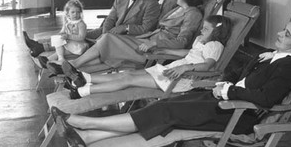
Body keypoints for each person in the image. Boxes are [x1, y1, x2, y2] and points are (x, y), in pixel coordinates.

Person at [49, 11, 291, 147]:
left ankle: (82, 122)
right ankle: (86, 138)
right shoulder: (273, 57)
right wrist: (226, 85)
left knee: (164, 111)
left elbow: (265, 99)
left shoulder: (289, 66)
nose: (278, 33)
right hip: (224, 100)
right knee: (166, 113)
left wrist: (228, 88)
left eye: (286, 33)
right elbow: (240, 78)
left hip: (238, 114)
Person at [50, 0, 204, 75]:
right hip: (148, 40)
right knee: (106, 40)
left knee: (107, 39)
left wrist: (155, 43)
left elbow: (182, 41)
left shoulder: (193, 14)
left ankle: (72, 65)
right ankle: (73, 68)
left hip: (153, 47)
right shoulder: (178, 9)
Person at [62, 14, 232, 99]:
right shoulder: (201, 41)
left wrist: (186, 67)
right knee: (126, 74)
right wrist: (164, 52)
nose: (202, 30)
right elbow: (188, 53)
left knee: (127, 81)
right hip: (171, 71)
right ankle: (84, 76)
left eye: (207, 29)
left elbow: (208, 65)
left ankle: (83, 91)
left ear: (217, 32)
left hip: (182, 79)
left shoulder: (215, 46)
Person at [22, 0, 160, 57]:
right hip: (110, 31)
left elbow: (146, 28)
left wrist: (125, 28)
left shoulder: (151, 3)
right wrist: (106, 31)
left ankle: (41, 47)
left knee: (79, 38)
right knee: (80, 36)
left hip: (126, 37)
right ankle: (40, 44)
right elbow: (111, 17)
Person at [31, 0, 89, 66]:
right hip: (69, 43)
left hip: (78, 46)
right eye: (73, 12)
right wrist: (59, 36)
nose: (75, 14)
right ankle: (50, 60)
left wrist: (68, 36)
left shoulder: (81, 24)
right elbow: (62, 31)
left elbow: (81, 37)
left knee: (61, 50)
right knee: (58, 43)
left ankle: (50, 60)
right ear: (68, 13)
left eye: (78, 12)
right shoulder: (67, 22)